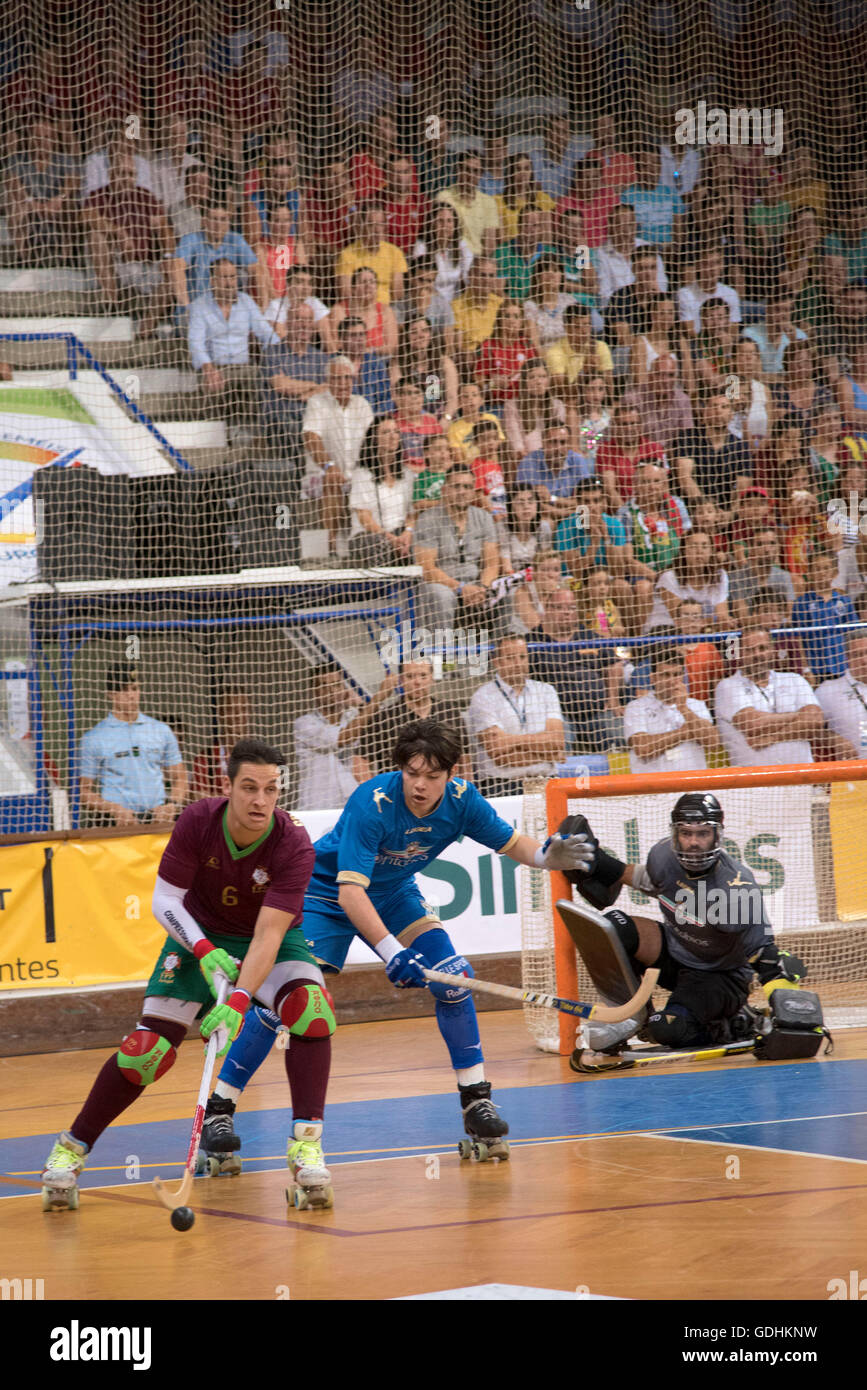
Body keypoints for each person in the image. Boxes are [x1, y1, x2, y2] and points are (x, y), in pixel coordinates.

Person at [203, 719, 595, 1157]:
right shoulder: (373, 802)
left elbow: (515, 844)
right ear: (400, 770)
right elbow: (351, 891)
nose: (420, 786)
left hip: (393, 893)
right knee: (284, 1005)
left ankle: (477, 1100)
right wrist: (393, 952)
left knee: (452, 979)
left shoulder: (464, 801)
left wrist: (545, 856)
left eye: (432, 776)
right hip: (325, 894)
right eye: (412, 773)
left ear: (452, 772)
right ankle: (219, 1109)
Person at [41, 739, 331, 1212]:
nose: (261, 800)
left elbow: (269, 936)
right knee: (146, 1053)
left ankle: (306, 1146)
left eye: (272, 790)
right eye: (250, 788)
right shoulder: (198, 820)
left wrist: (238, 1001)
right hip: (197, 933)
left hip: (269, 941)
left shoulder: (292, 842)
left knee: (312, 1012)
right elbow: (164, 902)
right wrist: (203, 949)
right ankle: (71, 1149)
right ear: (228, 785)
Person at [565, 792, 803, 1068]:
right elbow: (644, 879)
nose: (693, 842)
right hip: (677, 954)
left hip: (720, 978)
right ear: (675, 833)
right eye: (686, 833)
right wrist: (595, 862)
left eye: (702, 834)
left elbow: (766, 957)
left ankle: (736, 1022)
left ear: (717, 835)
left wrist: (790, 1012)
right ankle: (630, 1016)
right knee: (613, 926)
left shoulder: (737, 887)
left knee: (666, 1030)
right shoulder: (662, 855)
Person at [79, 664, 188, 828]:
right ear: (111, 694)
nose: (131, 695)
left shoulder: (161, 730)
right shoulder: (94, 737)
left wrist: (172, 805)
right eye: (124, 690)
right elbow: (83, 791)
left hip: (158, 820)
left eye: (135, 688)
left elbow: (180, 776)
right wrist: (114, 809)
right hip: (116, 823)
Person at [528, 588, 625, 752]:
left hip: (596, 711)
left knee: (619, 738)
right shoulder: (532, 640)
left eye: (571, 608)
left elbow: (614, 664)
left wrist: (613, 699)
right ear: (547, 608)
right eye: (560, 607)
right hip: (555, 715)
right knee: (558, 746)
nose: (566, 613)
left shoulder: (588, 636)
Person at [714, 627, 826, 768]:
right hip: (752, 782)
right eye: (750, 649)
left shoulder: (795, 679)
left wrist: (773, 737)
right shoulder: (728, 685)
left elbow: (816, 721)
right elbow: (753, 724)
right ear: (740, 653)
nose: (757, 654)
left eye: (762, 648)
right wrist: (800, 715)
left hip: (801, 777)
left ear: (772, 650)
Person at [294, 664, 400, 811]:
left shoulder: (355, 717)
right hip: (317, 805)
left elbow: (381, 724)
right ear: (314, 691)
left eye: (336, 685)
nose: (331, 691)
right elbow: (343, 737)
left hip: (353, 802)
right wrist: (380, 695)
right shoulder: (305, 724)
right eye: (324, 685)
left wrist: (360, 702)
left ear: (344, 689)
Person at [467, 636, 565, 796]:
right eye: (510, 658)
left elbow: (557, 743)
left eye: (522, 656)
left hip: (547, 780)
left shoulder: (546, 690)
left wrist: (509, 740)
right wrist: (547, 752)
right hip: (501, 785)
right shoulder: (483, 696)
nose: (518, 663)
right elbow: (498, 754)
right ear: (496, 661)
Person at [413, 465, 500, 630]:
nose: (462, 491)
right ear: (445, 490)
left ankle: (504, 653)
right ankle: (441, 652)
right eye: (456, 486)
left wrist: (481, 588)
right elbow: (427, 568)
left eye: (467, 487)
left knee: (510, 595)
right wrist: (460, 588)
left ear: (474, 492)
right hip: (443, 583)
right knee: (441, 595)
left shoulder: (484, 518)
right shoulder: (427, 520)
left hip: (477, 584)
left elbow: (492, 564)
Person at [189, 260, 279, 417]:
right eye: (224, 277)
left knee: (266, 386)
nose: (229, 283)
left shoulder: (246, 301)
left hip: (246, 369)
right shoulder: (200, 305)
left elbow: (266, 334)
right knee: (212, 389)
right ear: (213, 280)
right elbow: (196, 342)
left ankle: (254, 437)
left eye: (232, 277)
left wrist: (280, 354)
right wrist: (209, 369)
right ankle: (219, 437)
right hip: (216, 368)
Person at [301, 356, 375, 546]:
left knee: (367, 481)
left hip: (356, 474)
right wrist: (329, 465)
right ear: (328, 380)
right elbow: (311, 437)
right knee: (331, 478)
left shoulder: (362, 404)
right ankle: (330, 545)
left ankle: (367, 541)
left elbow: (373, 443)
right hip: (321, 472)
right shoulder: (317, 402)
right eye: (336, 378)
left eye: (347, 378)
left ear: (354, 380)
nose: (343, 383)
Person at [359, 658, 469, 777]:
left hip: (446, 791)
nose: (417, 682)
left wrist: (464, 791)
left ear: (431, 678)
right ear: (401, 680)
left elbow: (464, 758)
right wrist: (374, 792)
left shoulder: (450, 712)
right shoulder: (384, 718)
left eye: (423, 676)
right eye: (410, 676)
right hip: (397, 793)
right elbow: (360, 761)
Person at [623, 648, 722, 774]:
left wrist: (683, 709)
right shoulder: (636, 707)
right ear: (652, 678)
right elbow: (643, 748)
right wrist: (687, 731)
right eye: (665, 675)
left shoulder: (696, 705)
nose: (671, 681)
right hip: (653, 789)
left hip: (693, 787)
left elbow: (713, 743)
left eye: (676, 675)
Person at [261, 303, 329, 473]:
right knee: (296, 430)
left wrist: (306, 390)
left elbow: (328, 389)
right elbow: (282, 386)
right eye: (299, 319)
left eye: (308, 320)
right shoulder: (272, 353)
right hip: (282, 422)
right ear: (288, 323)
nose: (304, 325)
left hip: (314, 420)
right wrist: (314, 387)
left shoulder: (320, 358)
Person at [171, 201, 270, 314]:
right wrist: (187, 306)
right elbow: (176, 267)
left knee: (245, 274)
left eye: (223, 219)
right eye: (214, 219)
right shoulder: (191, 239)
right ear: (204, 221)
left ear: (229, 221)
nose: (218, 225)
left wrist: (263, 306)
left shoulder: (235, 239)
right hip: (196, 311)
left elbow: (257, 270)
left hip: (228, 313)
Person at [671, 391, 753, 520]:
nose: (718, 411)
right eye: (713, 406)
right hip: (690, 509)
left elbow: (742, 488)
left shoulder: (740, 447)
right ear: (705, 412)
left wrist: (730, 514)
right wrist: (706, 507)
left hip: (724, 511)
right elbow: (684, 478)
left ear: (731, 414)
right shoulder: (687, 438)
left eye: (724, 407)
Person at [348, 416, 416, 566]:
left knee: (420, 539)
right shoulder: (362, 474)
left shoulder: (407, 474)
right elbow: (365, 518)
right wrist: (391, 539)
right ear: (374, 439)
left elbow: (412, 514)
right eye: (386, 432)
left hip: (400, 532)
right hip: (369, 535)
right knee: (378, 544)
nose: (393, 436)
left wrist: (408, 532)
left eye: (396, 432)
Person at [791, 551, 860, 681]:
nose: (822, 572)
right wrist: (806, 669)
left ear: (835, 573)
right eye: (817, 568)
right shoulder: (801, 603)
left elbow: (853, 634)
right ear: (809, 572)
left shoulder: (844, 601)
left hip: (842, 667)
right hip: (816, 668)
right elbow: (798, 639)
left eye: (826, 568)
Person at [645, 531, 731, 633]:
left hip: (703, 632)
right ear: (683, 551)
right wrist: (716, 620)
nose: (699, 551)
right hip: (665, 632)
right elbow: (684, 622)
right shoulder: (669, 577)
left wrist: (723, 621)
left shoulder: (719, 576)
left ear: (711, 551)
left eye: (704, 547)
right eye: (693, 547)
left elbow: (723, 615)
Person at [516, 421, 593, 524]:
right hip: (544, 517)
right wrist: (565, 513)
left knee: (585, 521)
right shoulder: (528, 463)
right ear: (543, 442)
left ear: (569, 444)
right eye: (553, 442)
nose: (558, 448)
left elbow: (586, 501)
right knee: (547, 523)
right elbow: (532, 505)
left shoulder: (577, 461)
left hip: (574, 517)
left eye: (562, 442)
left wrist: (552, 498)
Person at [335, 201, 407, 306]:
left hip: (388, 308)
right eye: (371, 224)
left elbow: (398, 293)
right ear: (362, 226)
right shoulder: (347, 255)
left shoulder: (395, 252)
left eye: (380, 224)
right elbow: (345, 294)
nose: (377, 230)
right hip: (358, 308)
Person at [620, 353, 694, 454]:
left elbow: (687, 437)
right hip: (640, 456)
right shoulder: (632, 399)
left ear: (676, 378)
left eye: (670, 375)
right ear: (650, 375)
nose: (665, 380)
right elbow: (625, 438)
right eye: (659, 374)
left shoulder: (683, 400)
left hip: (673, 456)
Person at [436, 149, 501, 257]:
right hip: (451, 259)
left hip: (478, 261)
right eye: (467, 169)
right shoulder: (444, 197)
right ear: (458, 170)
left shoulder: (489, 202)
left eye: (475, 171)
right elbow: (441, 236)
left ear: (481, 174)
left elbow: (490, 244)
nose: (471, 175)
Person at [191, 687, 253, 798]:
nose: (238, 715)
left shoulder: (265, 755)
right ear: (220, 713)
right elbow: (197, 796)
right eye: (231, 709)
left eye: (243, 709)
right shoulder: (205, 758)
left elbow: (282, 788)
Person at [475, 299, 538, 408]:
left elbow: (537, 373)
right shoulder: (487, 346)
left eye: (516, 317)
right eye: (507, 316)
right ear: (499, 320)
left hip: (525, 404)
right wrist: (493, 384)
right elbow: (478, 381)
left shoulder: (527, 345)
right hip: (498, 405)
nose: (512, 320)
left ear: (522, 322)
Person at [327, 265, 399, 358]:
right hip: (348, 360)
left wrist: (370, 351)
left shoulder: (386, 311)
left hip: (379, 362)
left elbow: (392, 347)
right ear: (353, 289)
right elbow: (336, 344)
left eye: (372, 282)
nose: (368, 286)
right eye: (363, 282)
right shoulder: (339, 310)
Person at [545, 304, 613, 400]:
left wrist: (598, 372)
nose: (584, 331)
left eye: (587, 324)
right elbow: (561, 394)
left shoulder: (600, 347)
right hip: (569, 406)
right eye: (577, 326)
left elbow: (609, 387)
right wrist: (584, 374)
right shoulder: (555, 353)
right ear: (566, 328)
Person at [816, 633, 867, 759]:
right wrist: (832, 738)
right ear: (847, 658)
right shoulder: (828, 690)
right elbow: (811, 730)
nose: (864, 660)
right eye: (857, 654)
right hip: (852, 772)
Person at [413, 203, 473, 302]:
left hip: (456, 302)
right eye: (440, 221)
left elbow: (468, 278)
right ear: (432, 223)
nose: (445, 226)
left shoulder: (462, 245)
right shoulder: (421, 246)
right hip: (429, 299)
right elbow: (422, 281)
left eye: (449, 221)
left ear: (455, 224)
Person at [677, 247, 742, 334]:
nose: (713, 268)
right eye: (707, 264)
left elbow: (734, 330)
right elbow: (689, 331)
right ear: (698, 266)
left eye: (717, 263)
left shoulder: (731, 293)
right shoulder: (685, 294)